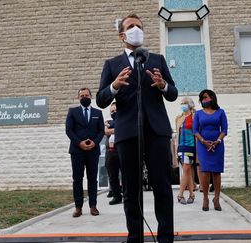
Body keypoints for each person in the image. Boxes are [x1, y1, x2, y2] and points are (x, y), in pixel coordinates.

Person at [96, 14, 178, 243]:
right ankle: (135, 238)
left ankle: (165, 239)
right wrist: (113, 86)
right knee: (131, 189)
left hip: (156, 130)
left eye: (140, 27)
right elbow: (101, 99)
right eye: (131, 27)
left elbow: (173, 94)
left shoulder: (158, 60)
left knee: (162, 187)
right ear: (122, 35)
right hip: (128, 131)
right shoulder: (112, 65)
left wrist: (163, 86)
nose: (137, 30)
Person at [65, 87, 104, 217]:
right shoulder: (72, 112)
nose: (84, 97)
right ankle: (78, 207)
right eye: (82, 96)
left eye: (87, 95)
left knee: (92, 179)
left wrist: (95, 142)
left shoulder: (98, 113)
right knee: (77, 179)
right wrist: (79, 143)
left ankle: (93, 206)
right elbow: (69, 130)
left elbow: (101, 131)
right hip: (77, 151)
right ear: (78, 98)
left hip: (93, 151)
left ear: (91, 96)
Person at [193, 89, 228, 212]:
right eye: (202, 98)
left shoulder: (220, 112)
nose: (204, 100)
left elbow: (224, 129)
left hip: (217, 145)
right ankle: (206, 198)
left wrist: (218, 141)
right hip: (203, 145)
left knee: (217, 172)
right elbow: (195, 131)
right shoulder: (198, 114)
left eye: (206, 97)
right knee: (206, 171)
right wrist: (204, 141)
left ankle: (217, 198)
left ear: (212, 98)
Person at [174, 97, 196, 205]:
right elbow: (177, 134)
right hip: (181, 147)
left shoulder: (194, 116)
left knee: (187, 170)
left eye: (185, 103)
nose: (183, 105)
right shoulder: (178, 118)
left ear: (190, 105)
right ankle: (186, 195)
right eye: (181, 103)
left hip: (191, 146)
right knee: (186, 170)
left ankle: (186, 194)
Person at [104, 102, 122, 205]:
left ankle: (128, 194)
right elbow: (106, 132)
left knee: (126, 174)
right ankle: (116, 196)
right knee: (112, 175)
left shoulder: (125, 120)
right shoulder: (108, 121)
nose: (114, 112)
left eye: (115, 110)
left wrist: (112, 129)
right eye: (112, 111)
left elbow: (124, 129)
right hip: (111, 152)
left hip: (122, 150)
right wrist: (117, 130)